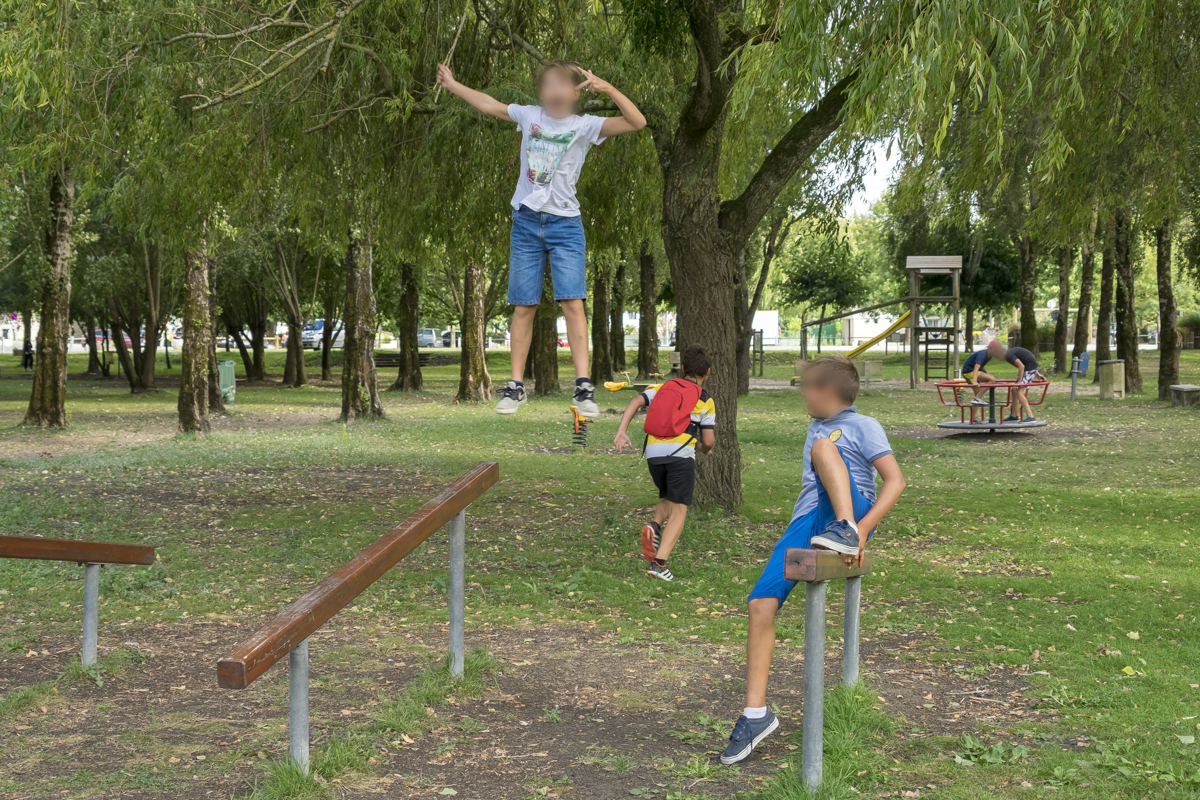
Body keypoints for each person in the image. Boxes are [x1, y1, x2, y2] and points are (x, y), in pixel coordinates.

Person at [720, 356, 905, 765]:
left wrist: (858, 529)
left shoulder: (863, 425)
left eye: (806, 386)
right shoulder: (815, 427)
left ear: (826, 390)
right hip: (807, 520)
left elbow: (895, 480)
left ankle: (843, 528)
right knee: (760, 603)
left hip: (851, 515)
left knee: (825, 447)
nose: (802, 393)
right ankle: (755, 715)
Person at [436, 60, 646, 417]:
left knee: (572, 303)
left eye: (562, 85)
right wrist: (453, 85)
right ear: (541, 93)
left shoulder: (585, 126)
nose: (554, 91)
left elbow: (637, 122)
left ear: (576, 91)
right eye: (547, 85)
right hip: (526, 223)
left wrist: (608, 88)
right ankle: (516, 388)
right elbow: (490, 104)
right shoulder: (529, 116)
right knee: (523, 305)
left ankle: (583, 388)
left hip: (566, 224)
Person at [613, 345, 716, 582]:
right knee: (680, 509)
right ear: (707, 372)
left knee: (669, 497)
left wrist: (622, 431)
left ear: (682, 368)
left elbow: (635, 401)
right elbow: (708, 440)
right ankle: (659, 565)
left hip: (653, 454)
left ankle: (655, 526)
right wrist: (703, 449)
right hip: (680, 454)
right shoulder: (705, 398)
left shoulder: (663, 387)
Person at [994, 342, 1043, 422]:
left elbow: (1021, 366)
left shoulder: (1009, 355)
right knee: (1014, 389)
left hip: (1028, 370)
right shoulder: (1009, 355)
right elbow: (1025, 362)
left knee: (1018, 392)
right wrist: (1037, 373)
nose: (997, 358)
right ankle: (1014, 415)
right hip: (1029, 369)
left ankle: (1030, 416)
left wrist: (1019, 382)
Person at [961, 340, 1004, 405]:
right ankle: (977, 398)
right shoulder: (982, 354)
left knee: (977, 397)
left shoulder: (989, 356)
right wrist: (975, 381)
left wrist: (986, 373)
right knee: (992, 379)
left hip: (972, 372)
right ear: (990, 348)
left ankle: (974, 413)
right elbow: (976, 368)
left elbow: (981, 365)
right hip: (969, 372)